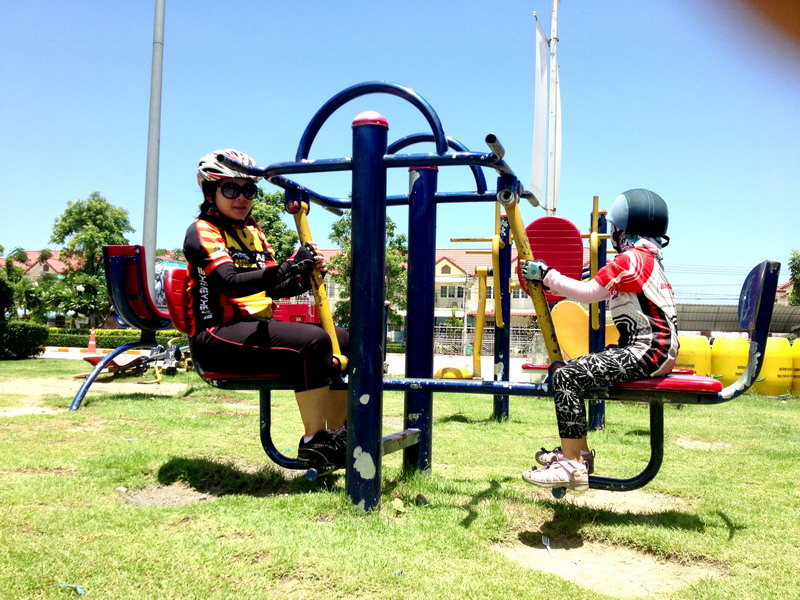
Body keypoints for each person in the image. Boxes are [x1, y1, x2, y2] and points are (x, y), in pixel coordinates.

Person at [183, 149, 349, 470]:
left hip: (252, 329)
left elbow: (274, 287)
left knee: (341, 338)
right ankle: (314, 442)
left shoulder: (253, 232)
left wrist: (305, 275)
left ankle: (340, 433)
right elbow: (230, 282)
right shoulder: (203, 231)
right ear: (209, 191)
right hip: (216, 335)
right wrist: (289, 265)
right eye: (230, 189)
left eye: (249, 190)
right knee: (314, 342)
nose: (241, 198)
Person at [520, 188, 679, 491]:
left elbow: (589, 293)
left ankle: (572, 467)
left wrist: (546, 274)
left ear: (623, 230)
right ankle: (578, 454)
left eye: (615, 229)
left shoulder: (631, 259)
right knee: (571, 370)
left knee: (566, 376)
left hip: (647, 351)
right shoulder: (649, 258)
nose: (613, 235)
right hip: (655, 350)